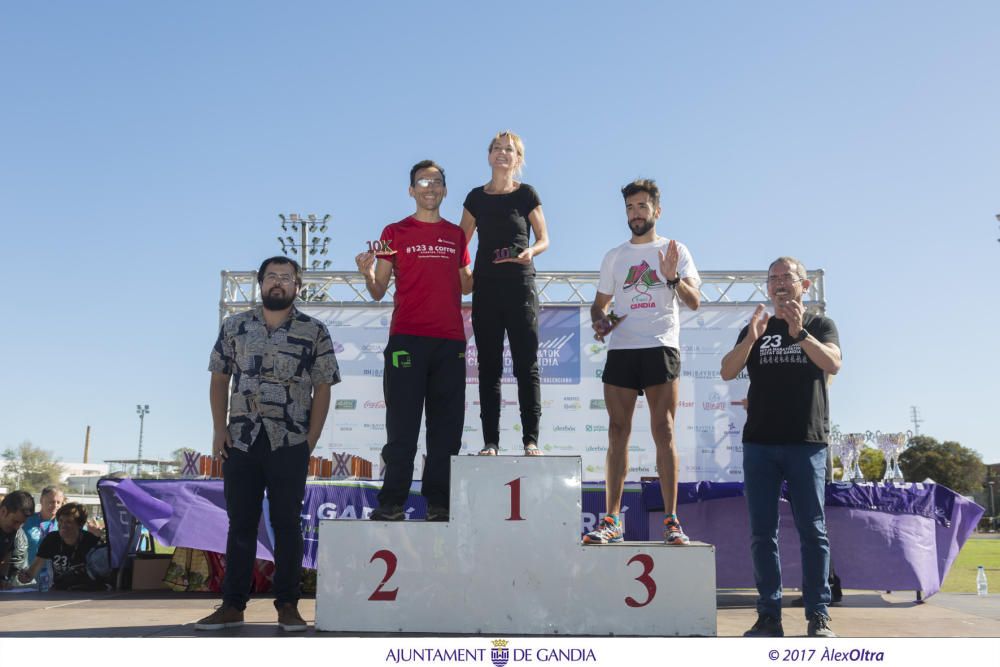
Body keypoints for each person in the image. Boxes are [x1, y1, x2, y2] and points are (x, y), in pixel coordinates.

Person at [196, 255, 341, 632]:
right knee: (240, 524)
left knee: (288, 525)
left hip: (290, 440)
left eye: (286, 278)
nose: (278, 283)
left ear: (297, 286)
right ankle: (232, 606)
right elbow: (218, 379)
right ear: (260, 284)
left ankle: (288, 605)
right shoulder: (235, 326)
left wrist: (310, 439)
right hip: (241, 440)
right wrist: (218, 429)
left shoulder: (314, 331)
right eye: (272, 277)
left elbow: (323, 388)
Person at [720, 256, 842, 638]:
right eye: (772, 279)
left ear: (804, 285)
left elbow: (834, 364)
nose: (778, 284)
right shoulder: (757, 327)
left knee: (813, 531)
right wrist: (753, 338)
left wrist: (800, 333)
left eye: (786, 277)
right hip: (760, 443)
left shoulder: (820, 324)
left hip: (806, 442)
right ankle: (769, 614)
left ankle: (817, 613)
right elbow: (727, 370)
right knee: (762, 533)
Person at [584, 179, 700, 546]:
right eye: (630, 208)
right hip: (621, 349)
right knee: (617, 432)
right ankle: (611, 519)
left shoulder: (675, 250)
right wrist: (600, 320)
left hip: (660, 346)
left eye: (642, 207)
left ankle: (671, 520)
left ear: (656, 211)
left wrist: (673, 278)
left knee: (663, 430)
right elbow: (599, 303)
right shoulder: (614, 256)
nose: (636, 214)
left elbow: (694, 301)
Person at [356, 159, 473, 521]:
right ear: (411, 190)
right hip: (407, 339)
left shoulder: (456, 236)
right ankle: (392, 503)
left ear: (444, 190)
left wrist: (489, 265)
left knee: (446, 430)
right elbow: (378, 291)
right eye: (423, 182)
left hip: (449, 341)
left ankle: (439, 503)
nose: (430, 187)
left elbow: (466, 284)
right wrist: (368, 272)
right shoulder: (395, 232)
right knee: (402, 427)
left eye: (436, 181)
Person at [460, 131, 549, 456]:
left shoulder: (526, 194)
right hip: (486, 289)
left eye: (509, 150)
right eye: (497, 148)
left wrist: (531, 253)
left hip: (521, 286)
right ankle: (491, 442)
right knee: (489, 367)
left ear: (518, 159)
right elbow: (460, 244)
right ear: (489, 155)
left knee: (527, 365)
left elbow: (544, 238)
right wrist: (467, 277)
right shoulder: (475, 198)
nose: (502, 153)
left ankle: (531, 440)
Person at [18, 502, 105, 591]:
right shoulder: (51, 539)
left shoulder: (91, 542)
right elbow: (33, 570)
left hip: (87, 592)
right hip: (58, 591)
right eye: (60, 520)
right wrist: (25, 576)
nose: (63, 525)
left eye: (69, 522)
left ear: (80, 525)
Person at [22, 486, 65, 563]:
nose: (55, 505)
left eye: (58, 502)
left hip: (53, 573)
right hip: (28, 572)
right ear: (41, 500)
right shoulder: (27, 520)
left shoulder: (64, 524)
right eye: (51, 502)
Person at [0, 491, 33, 589]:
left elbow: (7, 554)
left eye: (22, 523)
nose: (18, 527)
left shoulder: (11, 529)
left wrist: (3, 578)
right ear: (3, 511)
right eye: (15, 521)